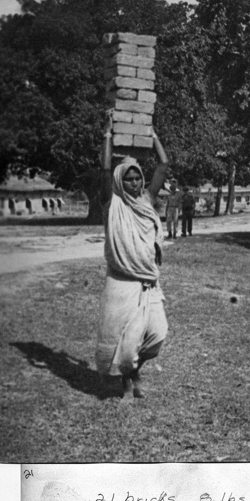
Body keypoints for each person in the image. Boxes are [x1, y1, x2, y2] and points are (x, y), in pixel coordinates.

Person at [95, 111, 169, 400]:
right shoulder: (111, 205)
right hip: (121, 285)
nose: (135, 184)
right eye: (129, 179)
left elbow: (163, 165)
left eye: (138, 179)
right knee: (125, 345)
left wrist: (151, 135)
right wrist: (108, 132)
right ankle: (127, 382)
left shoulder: (146, 202)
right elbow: (103, 170)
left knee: (157, 336)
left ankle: (136, 369)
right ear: (119, 182)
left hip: (149, 283)